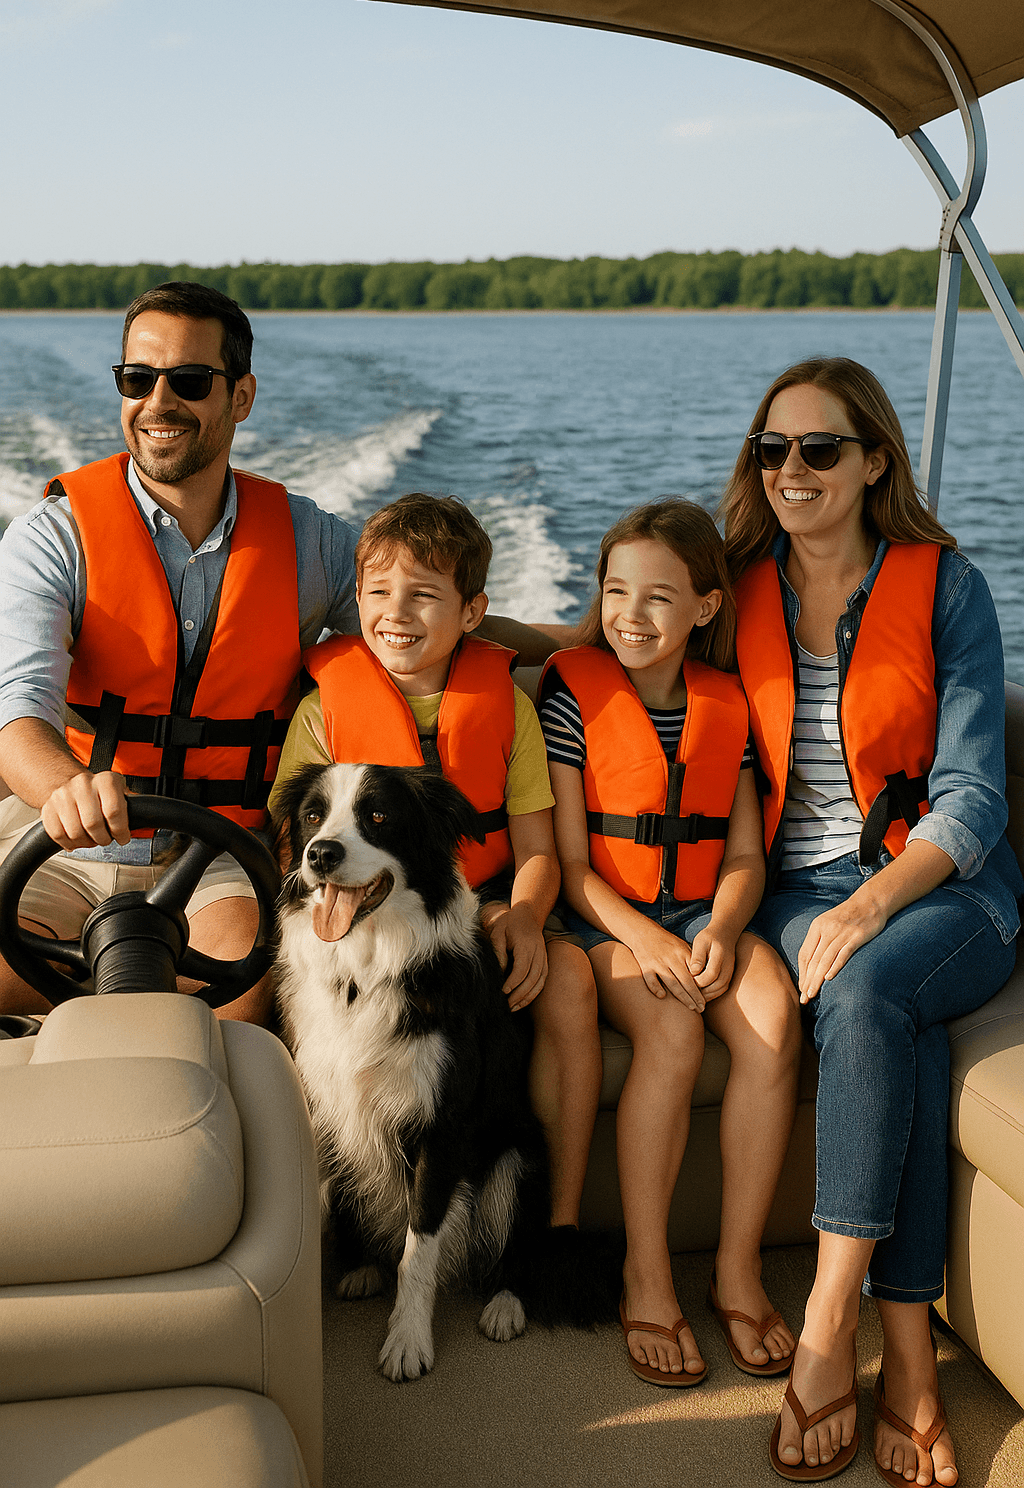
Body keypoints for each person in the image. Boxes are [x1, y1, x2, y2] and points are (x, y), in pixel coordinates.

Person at [0, 284, 555, 1025]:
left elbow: (419, 613)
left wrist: (579, 645)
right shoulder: (53, 536)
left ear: (242, 396)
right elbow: (18, 709)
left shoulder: (308, 543)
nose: (158, 402)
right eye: (137, 379)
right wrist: (68, 786)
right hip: (65, 845)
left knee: (246, 1000)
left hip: (220, 854)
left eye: (189, 382)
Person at [722, 356, 1022, 1485]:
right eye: (773, 451)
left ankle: (827, 1312)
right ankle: (908, 1359)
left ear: (872, 461)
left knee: (866, 990)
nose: (791, 471)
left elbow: (976, 796)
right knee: (893, 1024)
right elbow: (617, 634)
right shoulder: (734, 582)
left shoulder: (946, 589)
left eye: (819, 449)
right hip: (796, 897)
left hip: (948, 891)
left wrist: (872, 900)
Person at [268, 492, 602, 1229]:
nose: (398, 612)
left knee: (573, 978)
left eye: (424, 596)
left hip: (487, 900)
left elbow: (538, 849)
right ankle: (341, 1213)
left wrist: (524, 913)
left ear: (472, 612)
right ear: (355, 599)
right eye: (379, 592)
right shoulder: (322, 712)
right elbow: (301, 851)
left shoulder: (505, 706)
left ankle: (558, 1220)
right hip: (369, 912)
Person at [538, 498, 801, 1386]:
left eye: (657, 597)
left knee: (771, 1015)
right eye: (616, 591)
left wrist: (724, 928)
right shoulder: (572, 697)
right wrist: (648, 941)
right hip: (606, 921)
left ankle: (736, 1267)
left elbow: (742, 856)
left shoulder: (727, 708)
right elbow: (572, 867)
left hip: (705, 912)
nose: (630, 616)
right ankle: (646, 1274)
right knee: (673, 1029)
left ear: (706, 607)